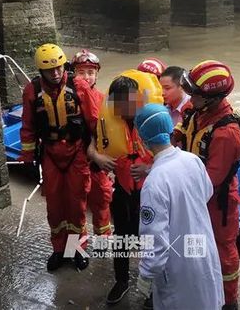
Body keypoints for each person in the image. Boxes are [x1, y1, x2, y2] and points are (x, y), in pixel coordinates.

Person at [135, 104, 224, 310]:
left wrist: (146, 274)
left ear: (142, 139)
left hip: (178, 267)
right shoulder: (192, 160)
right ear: (169, 129)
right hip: (202, 252)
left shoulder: (155, 181)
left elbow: (155, 240)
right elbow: (206, 193)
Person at [18, 43, 99, 271]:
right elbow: (28, 126)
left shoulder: (80, 86)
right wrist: (27, 156)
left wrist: (97, 152)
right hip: (51, 154)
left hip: (77, 153)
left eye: (58, 68)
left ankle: (78, 249)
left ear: (64, 66)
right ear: (40, 71)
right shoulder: (32, 91)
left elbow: (93, 121)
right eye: (49, 70)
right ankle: (59, 249)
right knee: (54, 205)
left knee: (76, 204)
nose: (55, 73)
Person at [173, 60, 240, 310]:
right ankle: (198, 289)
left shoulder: (227, 133)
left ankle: (228, 301)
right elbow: (180, 135)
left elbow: (211, 180)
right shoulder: (196, 112)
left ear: (212, 99)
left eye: (193, 93)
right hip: (195, 194)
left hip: (217, 203)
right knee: (195, 244)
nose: (189, 97)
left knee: (222, 250)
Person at [87, 71, 161, 305]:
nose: (123, 108)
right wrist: (98, 157)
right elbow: (90, 142)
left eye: (128, 102)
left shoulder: (155, 119)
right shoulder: (107, 117)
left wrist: (149, 168)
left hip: (151, 193)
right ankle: (121, 281)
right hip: (123, 190)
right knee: (121, 238)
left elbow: (173, 155)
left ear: (138, 99)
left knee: (153, 240)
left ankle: (152, 288)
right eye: (118, 102)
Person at [70, 49, 113, 237]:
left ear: (96, 75)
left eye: (91, 72)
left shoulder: (104, 100)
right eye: (81, 72)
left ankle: (103, 241)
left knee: (102, 201)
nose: (86, 77)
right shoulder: (66, 99)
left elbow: (110, 134)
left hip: (96, 163)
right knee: (74, 206)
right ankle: (76, 247)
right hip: (73, 161)